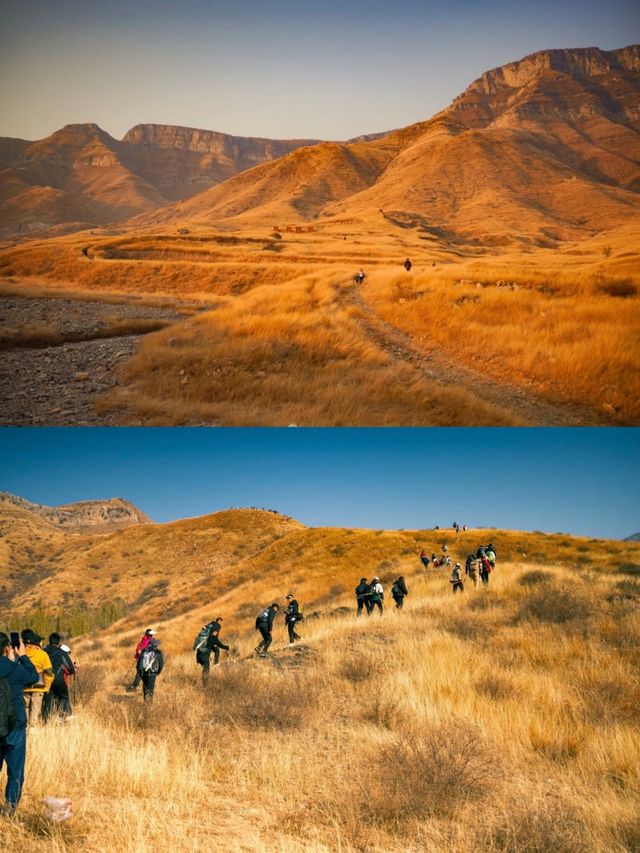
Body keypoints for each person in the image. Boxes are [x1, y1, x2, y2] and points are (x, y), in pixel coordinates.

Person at [0, 632, 39, 816]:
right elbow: (33, 677)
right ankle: (9, 810)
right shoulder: (15, 670)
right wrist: (22, 656)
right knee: (15, 772)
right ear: (7, 648)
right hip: (15, 727)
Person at [21, 630, 53, 727]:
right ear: (37, 643)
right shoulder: (42, 654)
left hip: (24, 686)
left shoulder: (21, 653)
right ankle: (33, 727)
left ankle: (25, 727)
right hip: (39, 686)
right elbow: (49, 672)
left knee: (25, 707)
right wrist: (47, 686)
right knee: (35, 708)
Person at [42, 634, 76, 722]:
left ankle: (45, 720)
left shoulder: (43, 651)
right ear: (58, 642)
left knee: (47, 700)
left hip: (45, 680)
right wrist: (72, 671)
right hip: (59, 679)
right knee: (64, 696)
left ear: (49, 641)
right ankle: (66, 715)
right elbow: (70, 667)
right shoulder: (62, 652)